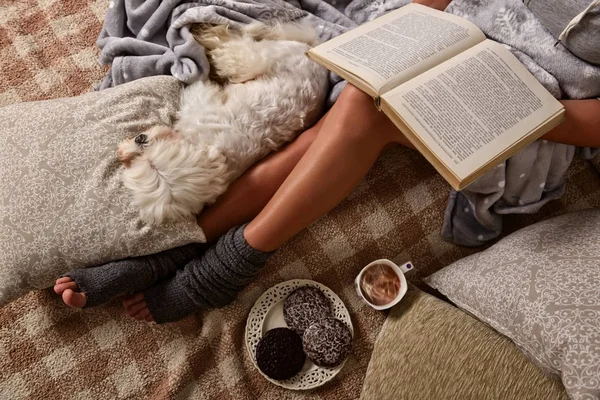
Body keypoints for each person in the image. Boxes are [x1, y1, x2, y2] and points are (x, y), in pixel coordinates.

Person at [54, 0, 600, 323]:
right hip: (461, 36)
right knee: (358, 98)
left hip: (540, 110)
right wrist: (411, 28)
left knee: (369, 109)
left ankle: (218, 259)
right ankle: (178, 250)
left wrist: (519, 104)